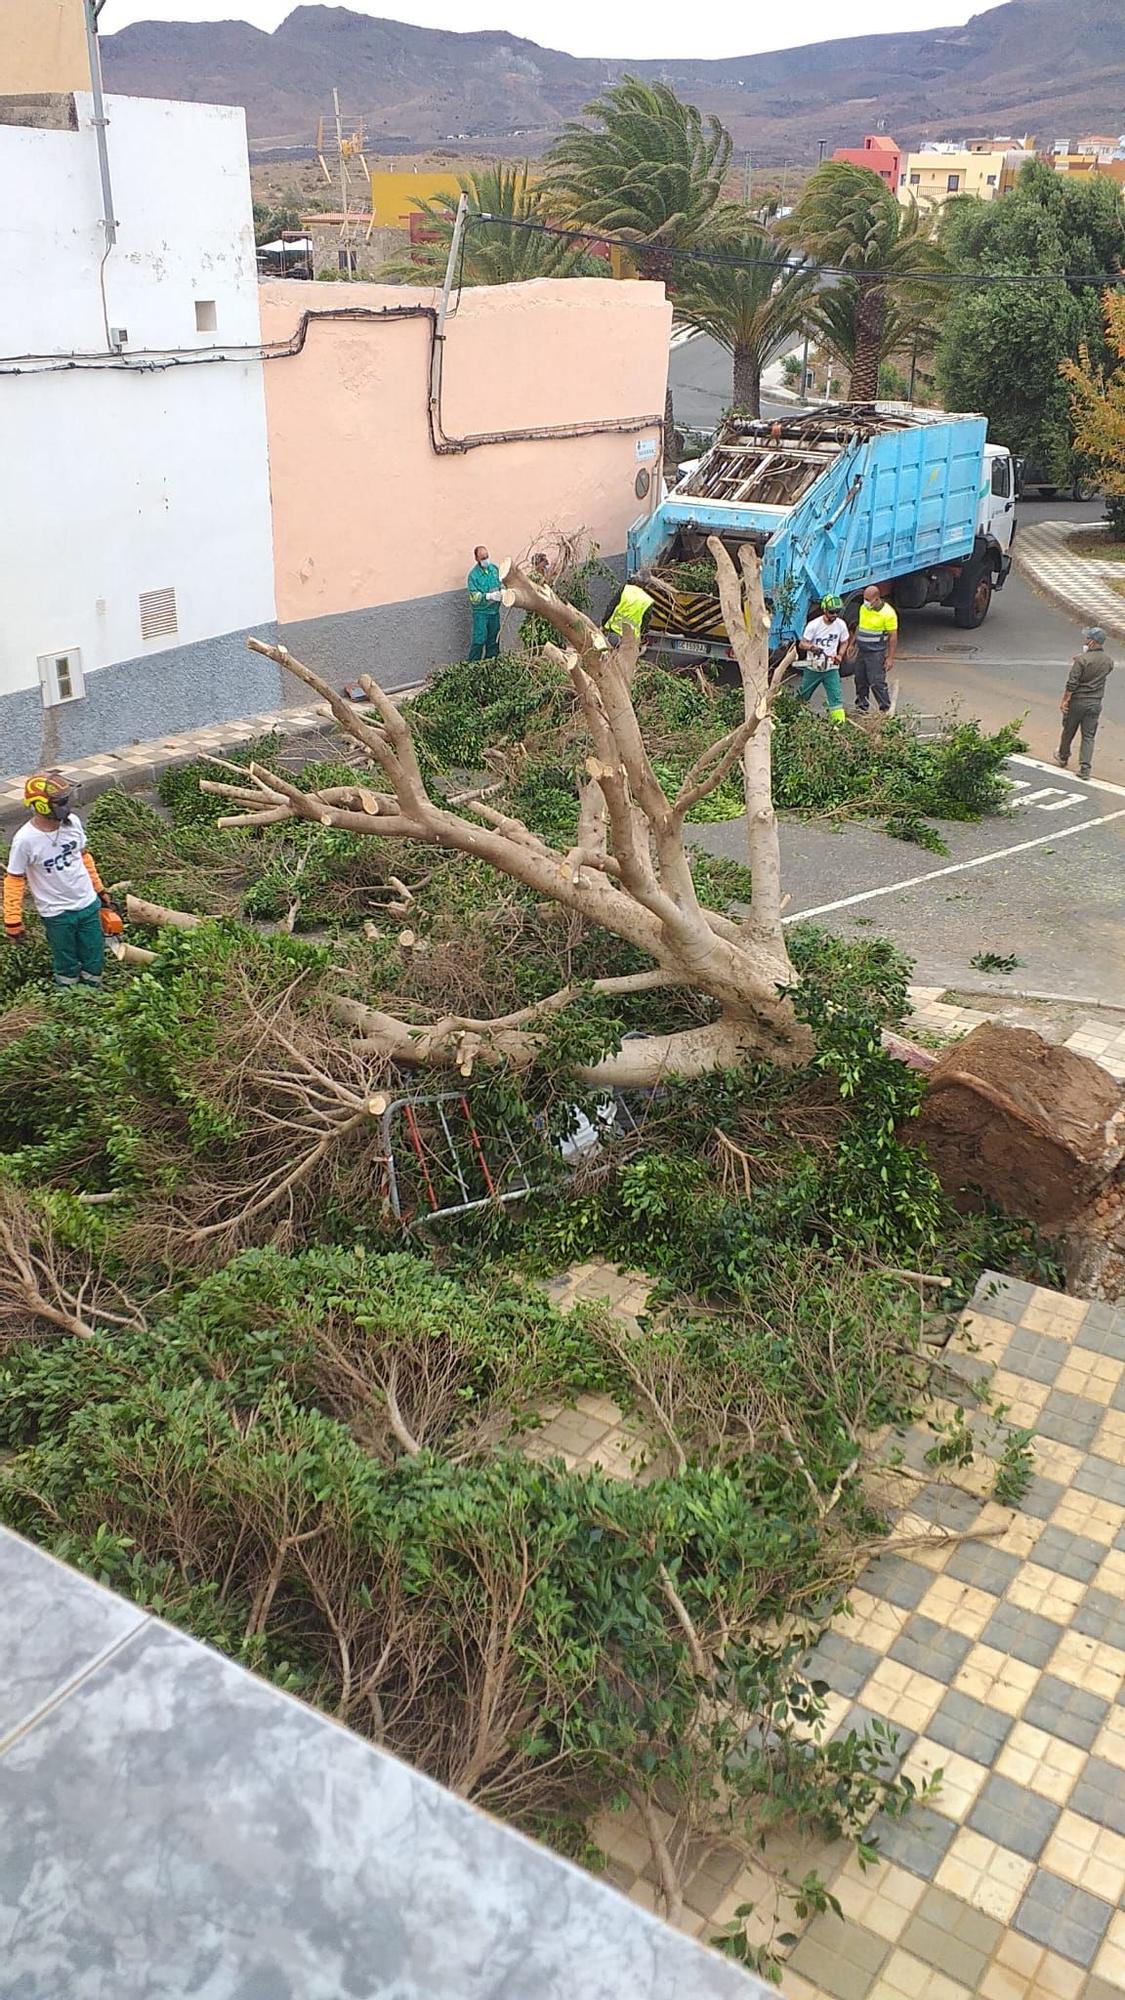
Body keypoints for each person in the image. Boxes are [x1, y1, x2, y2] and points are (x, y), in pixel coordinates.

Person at [3, 772, 115, 991]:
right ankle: (69, 996)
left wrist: (100, 890)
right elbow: (14, 880)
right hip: (57, 913)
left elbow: (84, 857)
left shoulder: (72, 823)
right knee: (66, 961)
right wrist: (13, 920)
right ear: (42, 806)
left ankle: (93, 992)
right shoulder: (25, 840)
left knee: (94, 953)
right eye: (61, 802)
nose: (67, 806)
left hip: (87, 903)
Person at [1057, 626, 1114, 780]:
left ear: (1093, 642)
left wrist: (1065, 700)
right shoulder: (1108, 661)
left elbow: (1072, 683)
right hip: (1095, 703)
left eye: (1088, 638)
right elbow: (1102, 669)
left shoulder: (1082, 660)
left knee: (1069, 730)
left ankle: (1063, 756)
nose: (1085, 640)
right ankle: (1085, 768)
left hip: (1078, 702)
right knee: (1088, 736)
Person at [796, 594, 849, 722]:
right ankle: (795, 719)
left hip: (831, 669)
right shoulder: (814, 625)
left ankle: (839, 726)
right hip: (813, 668)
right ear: (824, 610)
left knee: (836, 699)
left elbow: (845, 641)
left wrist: (840, 655)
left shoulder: (841, 625)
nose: (834, 615)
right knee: (803, 696)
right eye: (832, 612)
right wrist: (812, 648)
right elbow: (802, 644)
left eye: (837, 612)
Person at [853, 583, 898, 715]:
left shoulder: (888, 613)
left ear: (877, 599)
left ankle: (885, 709)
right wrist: (852, 643)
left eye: (868, 600)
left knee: (876, 681)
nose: (865, 602)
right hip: (862, 650)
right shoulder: (864, 608)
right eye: (864, 599)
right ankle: (861, 707)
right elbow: (859, 627)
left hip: (876, 652)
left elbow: (893, 636)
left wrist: (890, 657)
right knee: (860, 679)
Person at [466, 545, 503, 662]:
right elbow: (474, 597)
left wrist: (503, 593)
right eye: (483, 558)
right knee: (479, 640)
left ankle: (491, 664)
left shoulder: (494, 570)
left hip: (494, 612)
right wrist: (488, 596)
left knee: (493, 640)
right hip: (481, 613)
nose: (486, 560)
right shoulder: (473, 575)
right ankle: (472, 666)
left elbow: (501, 584)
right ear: (476, 559)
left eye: (487, 557)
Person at [604, 569, 657, 648]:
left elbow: (611, 607)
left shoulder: (625, 589)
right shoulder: (648, 601)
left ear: (636, 579)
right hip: (631, 639)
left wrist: (603, 624)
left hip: (614, 633)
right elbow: (645, 624)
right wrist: (641, 638)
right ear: (647, 584)